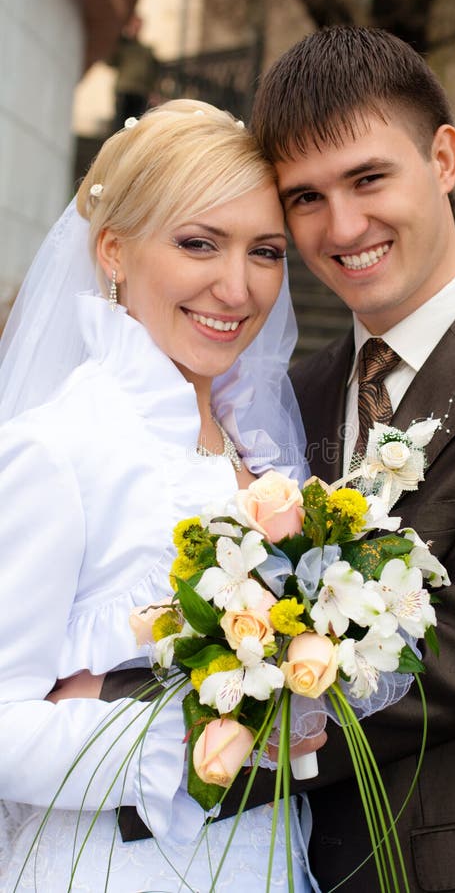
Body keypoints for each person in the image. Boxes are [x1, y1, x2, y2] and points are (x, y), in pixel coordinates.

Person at [233, 26, 455, 892]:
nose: (344, 226)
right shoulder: (297, 392)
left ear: (443, 158)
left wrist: (185, 738)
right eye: (306, 197)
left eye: (369, 179)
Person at [0, 100, 316, 891]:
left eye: (266, 252)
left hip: (271, 857)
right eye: (198, 243)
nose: (237, 287)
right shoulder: (61, 446)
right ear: (113, 250)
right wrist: (181, 739)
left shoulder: (258, 448)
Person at [110, 13, 160, 132]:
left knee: (135, 124)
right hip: (125, 89)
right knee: (120, 124)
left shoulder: (146, 51)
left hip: (140, 91)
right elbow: (110, 61)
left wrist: (153, 91)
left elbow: (152, 73)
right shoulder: (123, 46)